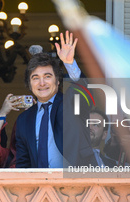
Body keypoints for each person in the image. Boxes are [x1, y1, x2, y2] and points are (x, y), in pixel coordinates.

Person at [15, 31, 97, 168]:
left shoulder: (71, 102)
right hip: (41, 187)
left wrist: (69, 63)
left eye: (47, 76)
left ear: (58, 81)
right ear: (29, 85)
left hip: (78, 184)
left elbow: (86, 94)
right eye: (35, 78)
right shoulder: (24, 120)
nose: (42, 83)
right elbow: (23, 164)